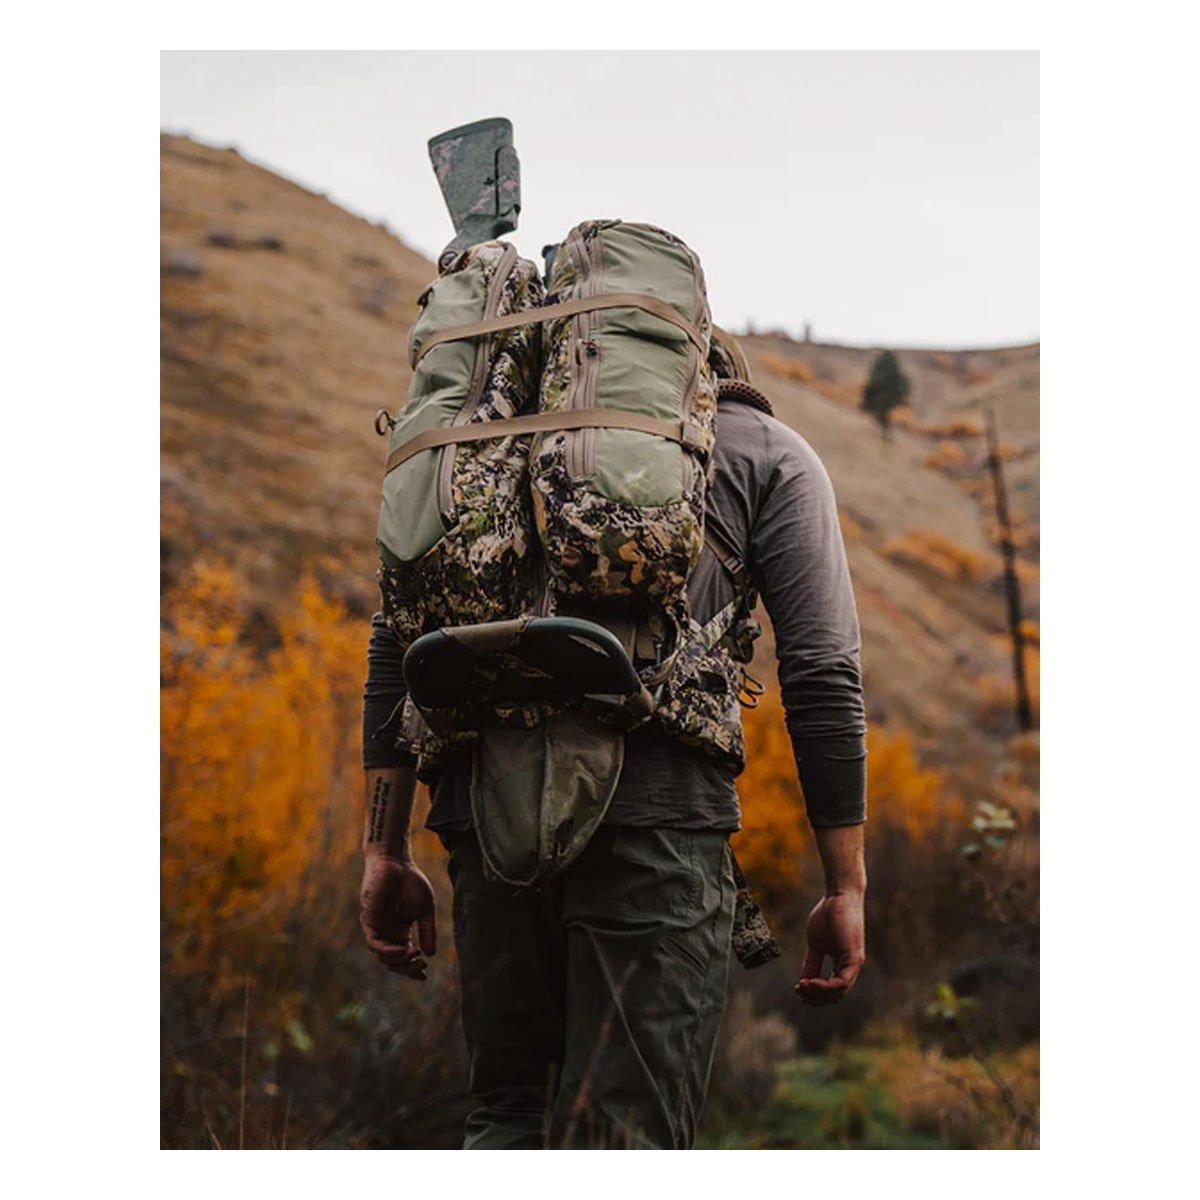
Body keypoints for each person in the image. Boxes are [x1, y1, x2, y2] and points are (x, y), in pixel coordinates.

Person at [358, 384, 868, 1150]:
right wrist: (844, 883)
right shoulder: (765, 450)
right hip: (657, 820)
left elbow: (397, 640)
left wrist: (383, 849)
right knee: (628, 1134)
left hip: (487, 816)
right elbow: (823, 671)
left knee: (508, 1115)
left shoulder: (485, 440)